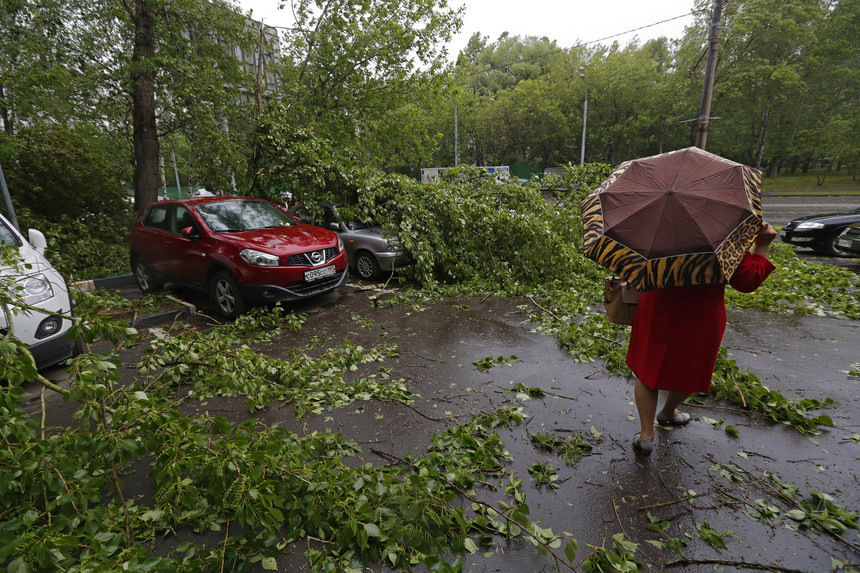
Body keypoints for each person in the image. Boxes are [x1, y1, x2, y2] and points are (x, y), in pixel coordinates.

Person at [626, 222, 778, 454]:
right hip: (701, 314)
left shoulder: (656, 225)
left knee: (648, 370)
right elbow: (747, 281)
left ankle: (646, 434)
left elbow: (630, 265)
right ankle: (668, 413)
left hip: (658, 306)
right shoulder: (722, 232)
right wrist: (763, 245)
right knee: (692, 368)